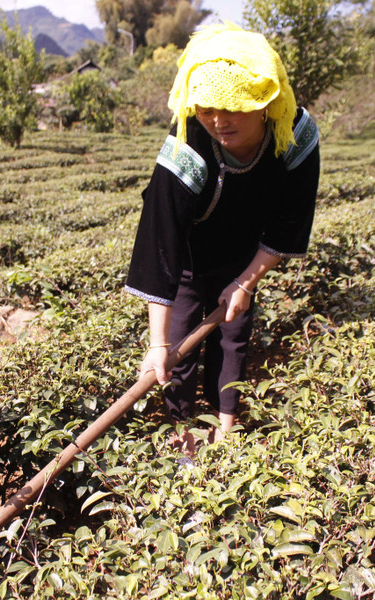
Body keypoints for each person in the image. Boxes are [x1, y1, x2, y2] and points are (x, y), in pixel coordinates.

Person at [124, 22, 320, 450]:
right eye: (208, 108)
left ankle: (225, 430)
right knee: (178, 352)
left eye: (233, 108)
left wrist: (246, 280)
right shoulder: (187, 145)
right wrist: (158, 344)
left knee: (233, 336)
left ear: (266, 103)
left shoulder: (295, 136)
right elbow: (161, 244)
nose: (218, 120)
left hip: (244, 252)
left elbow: (291, 220)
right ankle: (184, 436)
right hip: (190, 261)